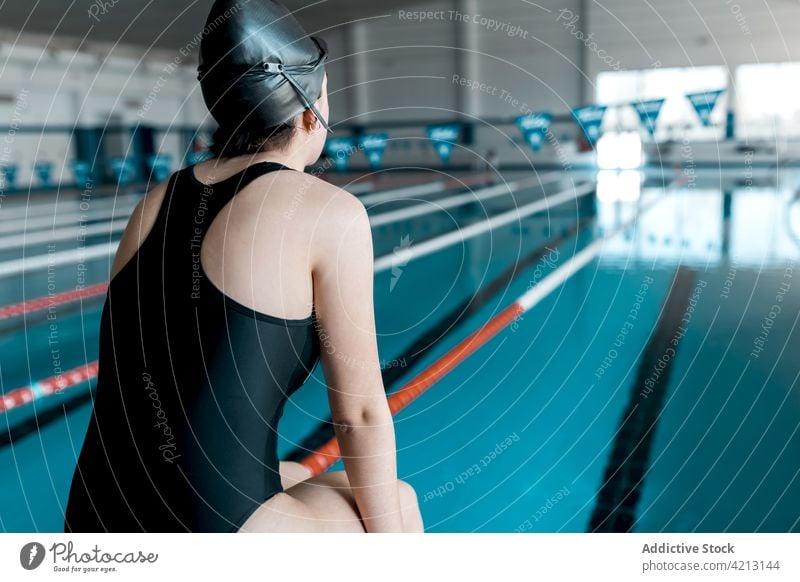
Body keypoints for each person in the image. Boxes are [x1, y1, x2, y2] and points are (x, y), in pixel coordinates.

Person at [63, 0, 422, 533]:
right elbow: (360, 414)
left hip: (95, 512)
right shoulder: (329, 212)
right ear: (309, 109)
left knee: (299, 472)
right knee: (398, 500)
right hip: (202, 530)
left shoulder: (158, 200)